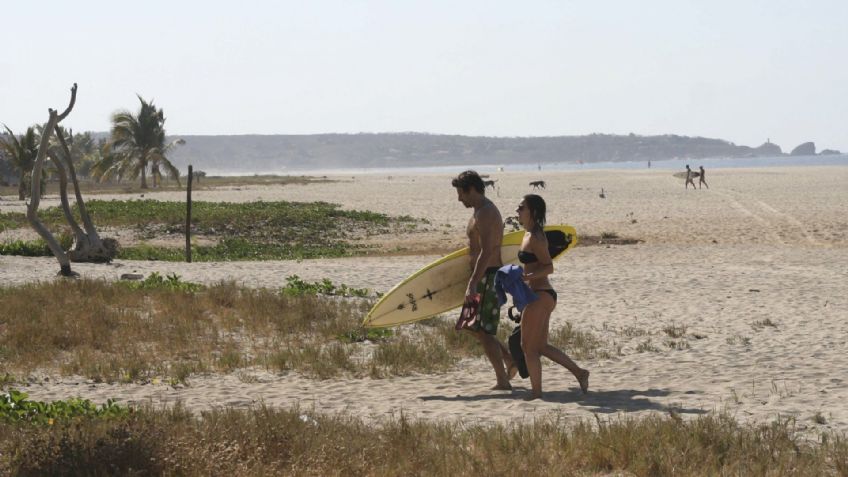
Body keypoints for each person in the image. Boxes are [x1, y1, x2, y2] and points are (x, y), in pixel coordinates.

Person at [516, 194, 589, 400]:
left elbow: (549, 267)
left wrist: (527, 276)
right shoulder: (527, 234)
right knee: (540, 347)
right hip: (540, 295)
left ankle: (537, 393)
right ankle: (580, 373)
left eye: (522, 208)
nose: (517, 211)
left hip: (540, 295)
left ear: (534, 212)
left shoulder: (536, 238)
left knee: (527, 348)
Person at [452, 170, 514, 390]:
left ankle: (503, 381)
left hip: (488, 276)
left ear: (471, 189)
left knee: (484, 330)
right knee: (471, 325)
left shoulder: (487, 213)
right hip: (480, 275)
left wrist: (473, 282)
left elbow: (487, 251)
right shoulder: (478, 211)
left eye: (461, 194)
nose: (459, 199)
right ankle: (509, 358)